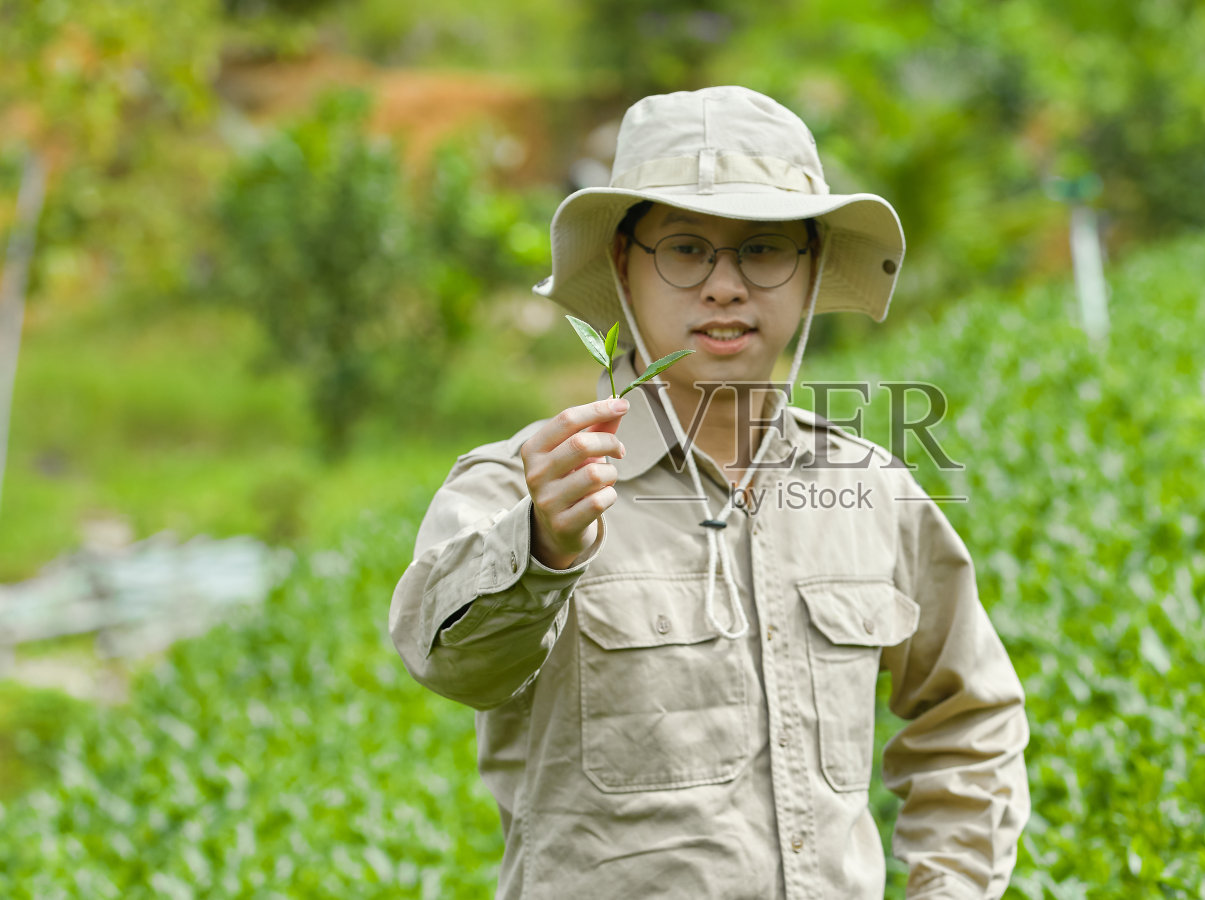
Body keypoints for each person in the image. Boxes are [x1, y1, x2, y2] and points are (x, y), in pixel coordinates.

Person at [389, 86, 1029, 900]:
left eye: (764, 250)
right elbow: (447, 661)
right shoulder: (534, 481)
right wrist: (545, 546)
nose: (725, 287)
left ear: (813, 268)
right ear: (623, 263)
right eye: (686, 249)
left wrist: (949, 887)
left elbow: (968, 717)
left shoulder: (869, 490)